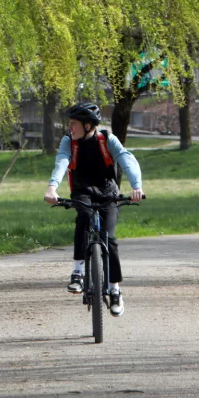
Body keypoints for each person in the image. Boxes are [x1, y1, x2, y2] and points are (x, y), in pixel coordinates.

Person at [43, 102, 143, 317]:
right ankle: (78, 272)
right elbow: (61, 162)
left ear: (88, 125)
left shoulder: (107, 140)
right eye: (69, 124)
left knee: (111, 238)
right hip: (82, 192)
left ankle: (114, 290)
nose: (70, 128)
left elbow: (126, 159)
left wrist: (136, 187)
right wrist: (52, 187)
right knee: (84, 218)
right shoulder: (69, 142)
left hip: (108, 193)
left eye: (73, 124)